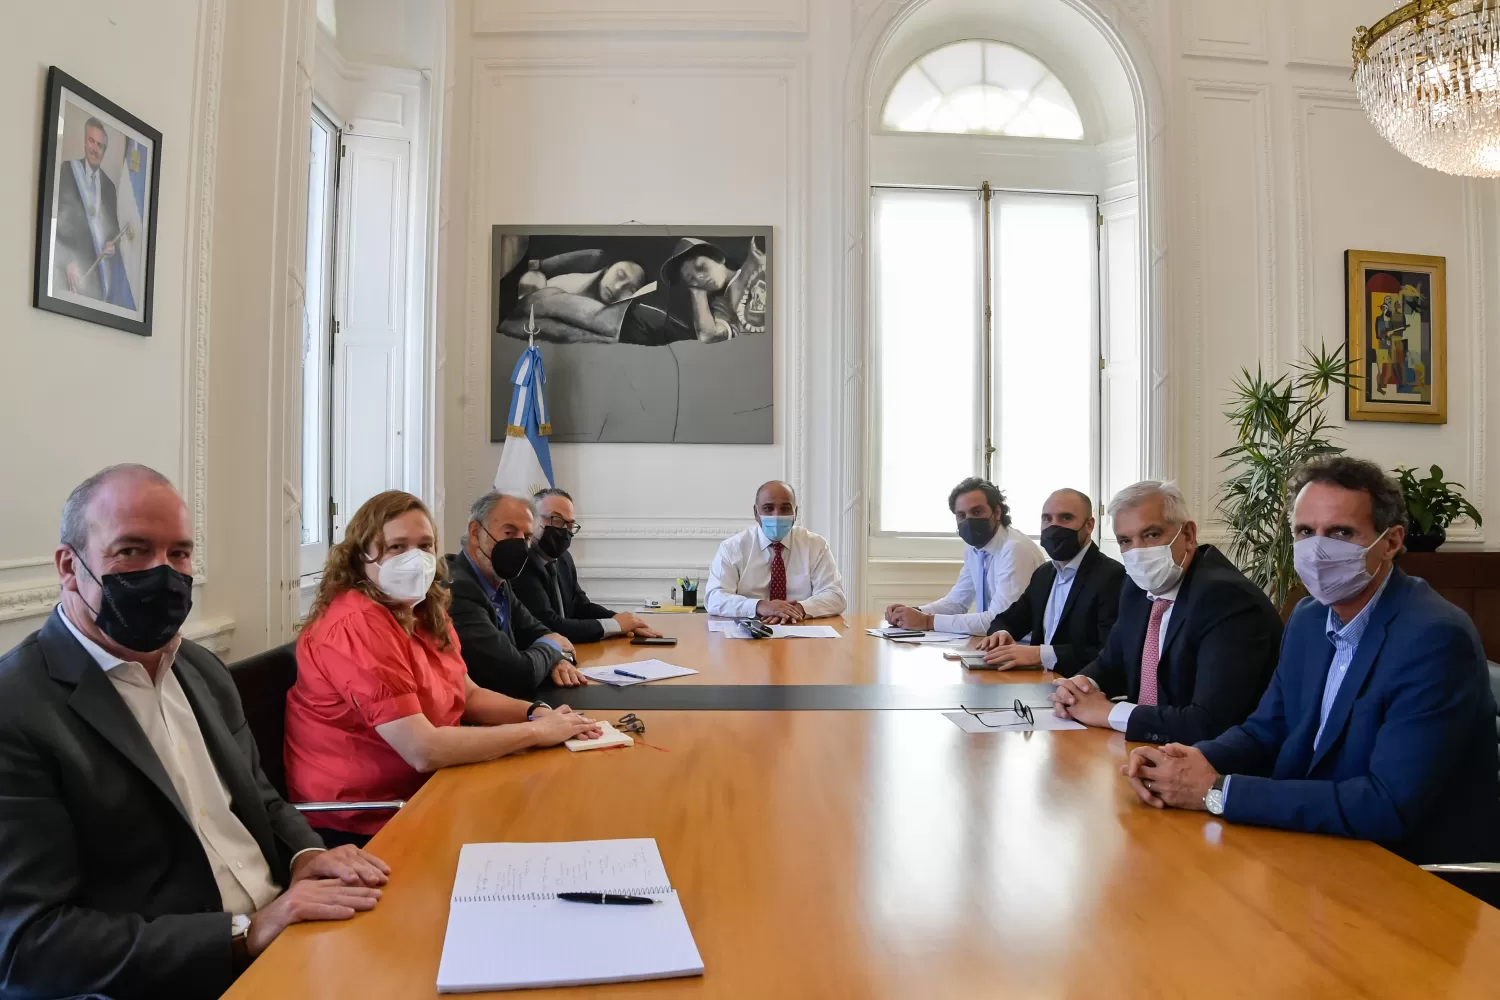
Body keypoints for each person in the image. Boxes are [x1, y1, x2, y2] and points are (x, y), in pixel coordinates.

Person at [0, 464, 390, 1000]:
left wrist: (306, 856)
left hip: (290, 936)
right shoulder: (16, 707)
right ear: (69, 566)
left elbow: (261, 800)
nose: (164, 573)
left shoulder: (200, 668)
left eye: (179, 553)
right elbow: (30, 944)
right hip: (184, 975)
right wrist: (243, 935)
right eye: (132, 551)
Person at [1121, 457, 1500, 866]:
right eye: (1305, 531)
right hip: (1315, 845)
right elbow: (1268, 728)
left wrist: (1216, 791)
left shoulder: (1435, 637)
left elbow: (1386, 804)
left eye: (1340, 532)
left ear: (1390, 542)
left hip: (1411, 870)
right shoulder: (1308, 616)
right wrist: (1193, 759)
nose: (1318, 549)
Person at [286, 491, 601, 847]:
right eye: (396, 547)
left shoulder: (422, 607)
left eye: (424, 546)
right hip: (366, 819)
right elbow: (422, 749)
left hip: (433, 787)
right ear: (362, 556)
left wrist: (535, 713)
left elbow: (467, 694)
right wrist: (535, 734)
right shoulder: (357, 623)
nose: (414, 559)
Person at [1048, 481, 1282, 745]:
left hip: (1210, 764)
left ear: (1189, 535)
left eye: (1151, 534)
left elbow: (1210, 722)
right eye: (1126, 540)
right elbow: (1112, 662)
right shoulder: (1136, 588)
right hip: (1144, 749)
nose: (1138, 551)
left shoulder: (1226, 598)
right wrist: (1079, 686)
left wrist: (1108, 712)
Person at [447, 491, 589, 698]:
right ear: (476, 533)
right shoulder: (457, 589)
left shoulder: (499, 582)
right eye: (509, 532)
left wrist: (555, 657)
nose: (520, 545)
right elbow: (518, 674)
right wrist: (553, 648)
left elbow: (538, 631)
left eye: (527, 537)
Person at [974, 488, 1125, 673]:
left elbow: (1108, 651)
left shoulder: (1111, 576)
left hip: (1080, 688)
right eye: (1047, 519)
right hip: (1037, 684)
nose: (1053, 526)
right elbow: (1009, 619)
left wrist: (1040, 654)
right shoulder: (1044, 574)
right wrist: (1001, 634)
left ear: (1089, 525)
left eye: (1065, 518)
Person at [885, 477, 1047, 636]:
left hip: (1023, 647)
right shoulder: (975, 549)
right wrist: (913, 612)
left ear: (997, 512)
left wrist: (928, 622)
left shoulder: (1015, 549)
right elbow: (957, 602)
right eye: (961, 515)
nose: (969, 521)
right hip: (992, 644)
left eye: (976, 512)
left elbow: (999, 620)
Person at [512, 487, 663, 643]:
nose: (564, 530)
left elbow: (580, 606)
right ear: (531, 519)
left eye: (570, 525)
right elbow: (550, 625)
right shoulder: (521, 563)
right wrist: (615, 625)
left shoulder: (564, 559)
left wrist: (624, 621)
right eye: (556, 520)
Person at [705, 480, 846, 623]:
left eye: (785, 508)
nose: (776, 515)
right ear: (756, 513)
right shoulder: (732, 548)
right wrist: (760, 606)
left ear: (795, 512)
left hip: (801, 629)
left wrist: (798, 609)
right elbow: (714, 598)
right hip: (750, 632)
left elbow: (835, 596)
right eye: (768, 508)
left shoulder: (816, 545)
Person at [53, 116, 132, 306]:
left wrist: (111, 247)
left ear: (104, 150)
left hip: (98, 284)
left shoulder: (110, 187)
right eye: (91, 141)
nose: (94, 149)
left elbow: (113, 233)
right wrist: (68, 261)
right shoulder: (66, 171)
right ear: (84, 141)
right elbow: (55, 225)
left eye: (99, 145)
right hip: (69, 276)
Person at [659, 236, 767, 342]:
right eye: (691, 279)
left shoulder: (756, 257)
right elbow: (708, 336)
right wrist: (697, 293)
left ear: (719, 258)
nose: (699, 277)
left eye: (701, 267)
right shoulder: (722, 306)